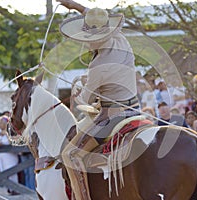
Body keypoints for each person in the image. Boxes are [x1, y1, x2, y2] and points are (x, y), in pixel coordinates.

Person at [59, 1, 140, 199]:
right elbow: (96, 15)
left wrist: (79, 88)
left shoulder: (97, 65)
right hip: (136, 109)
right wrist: (75, 6)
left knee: (70, 155)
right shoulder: (120, 37)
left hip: (112, 117)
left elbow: (84, 101)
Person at [0, 115, 19, 195]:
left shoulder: (11, 130)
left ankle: (15, 189)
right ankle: (8, 188)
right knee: (3, 172)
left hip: (9, 156)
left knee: (11, 172)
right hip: (0, 155)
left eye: (1, 122)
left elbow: (12, 142)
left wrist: (6, 134)